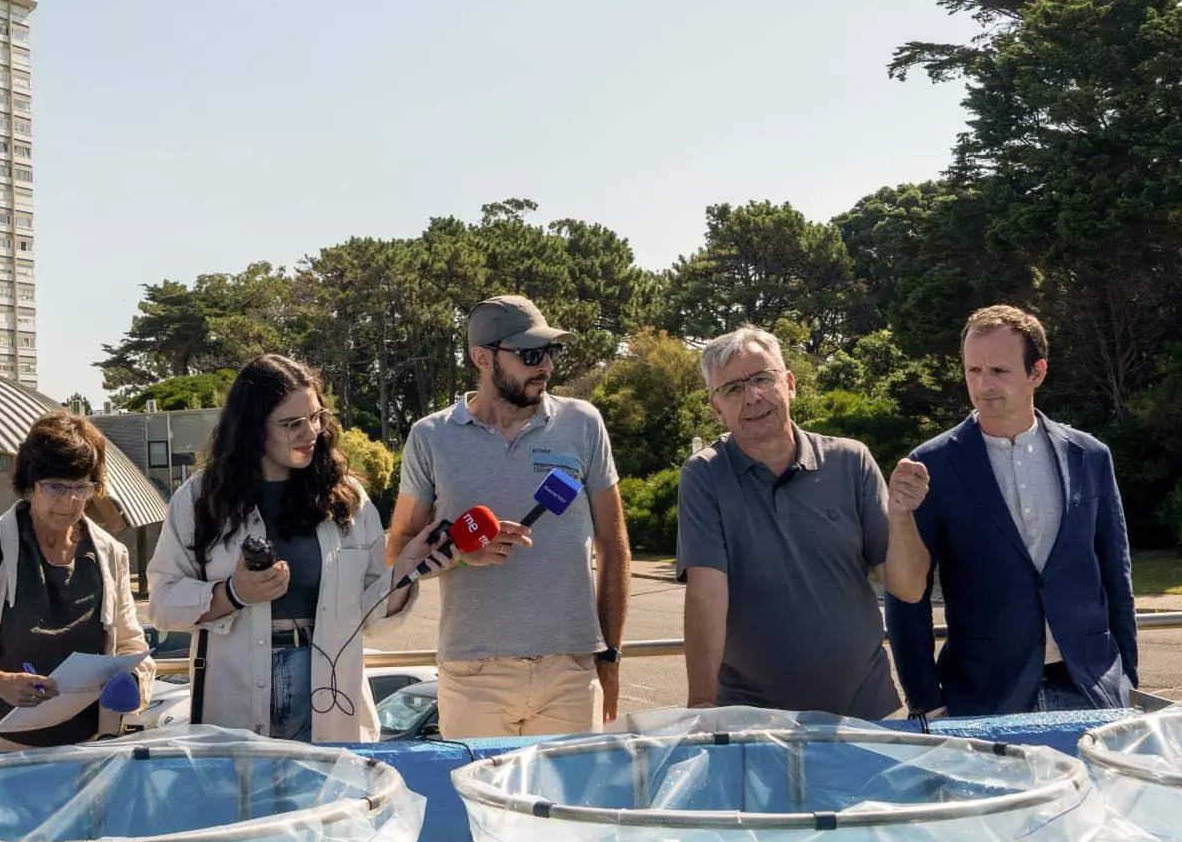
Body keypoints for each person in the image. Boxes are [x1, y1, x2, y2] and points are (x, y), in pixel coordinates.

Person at [151, 355, 439, 743]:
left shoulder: (347, 497)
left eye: (317, 417)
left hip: (329, 689)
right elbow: (162, 605)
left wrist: (406, 568)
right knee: (247, 802)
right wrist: (233, 594)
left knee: (330, 800)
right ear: (252, 429)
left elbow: (369, 618)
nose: (311, 432)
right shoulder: (199, 499)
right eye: (292, 424)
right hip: (235, 691)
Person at [388, 296, 630, 739]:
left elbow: (614, 547)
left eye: (551, 353)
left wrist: (609, 658)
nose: (546, 367)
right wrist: (461, 553)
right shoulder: (430, 437)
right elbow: (400, 550)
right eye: (530, 354)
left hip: (571, 670)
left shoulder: (584, 423)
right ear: (482, 357)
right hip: (472, 672)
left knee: (569, 810)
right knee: (480, 808)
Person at [883, 305, 1136, 717]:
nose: (983, 385)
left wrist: (1127, 677)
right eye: (973, 371)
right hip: (981, 698)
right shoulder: (930, 467)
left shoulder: (1089, 456)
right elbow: (909, 596)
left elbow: (1115, 573)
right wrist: (927, 702)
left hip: (1090, 690)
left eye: (998, 371)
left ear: (1037, 372)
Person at [677, 325, 898, 719]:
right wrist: (703, 705)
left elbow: (905, 584)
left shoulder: (852, 461)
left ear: (789, 383)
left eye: (762, 378)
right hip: (755, 719)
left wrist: (907, 515)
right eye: (733, 389)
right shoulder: (704, 474)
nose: (753, 396)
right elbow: (707, 593)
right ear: (717, 409)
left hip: (865, 709)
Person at [0, 410, 155, 751]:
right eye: (55, 487)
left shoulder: (110, 553)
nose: (69, 502)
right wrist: (1, 682)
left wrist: (132, 679)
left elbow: (131, 646)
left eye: (81, 487)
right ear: (30, 483)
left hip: (79, 746)